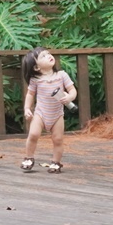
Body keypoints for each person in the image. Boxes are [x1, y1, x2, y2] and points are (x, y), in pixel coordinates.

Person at [21, 46, 77, 174]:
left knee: (58, 139)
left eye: (48, 53)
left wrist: (69, 97)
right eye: (43, 56)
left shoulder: (62, 75)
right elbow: (30, 95)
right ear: (36, 67)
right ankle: (29, 158)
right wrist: (27, 108)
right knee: (33, 134)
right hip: (40, 113)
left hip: (57, 115)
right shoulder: (36, 80)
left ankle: (56, 162)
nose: (49, 56)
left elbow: (73, 90)